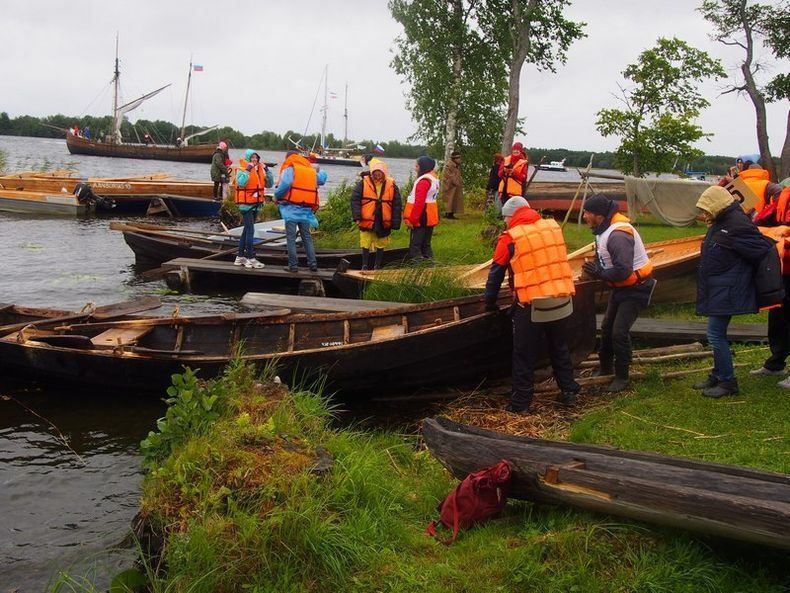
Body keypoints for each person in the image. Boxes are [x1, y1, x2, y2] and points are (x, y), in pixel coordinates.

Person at [484, 196, 579, 414]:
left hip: (532, 305)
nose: (505, 222)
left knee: (523, 354)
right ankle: (569, 391)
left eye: (505, 218)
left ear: (512, 216)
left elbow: (495, 275)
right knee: (559, 346)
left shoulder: (510, 238)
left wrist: (489, 304)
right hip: (562, 298)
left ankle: (520, 404)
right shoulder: (552, 228)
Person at [694, 185, 774, 397]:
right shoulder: (721, 221)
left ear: (717, 204)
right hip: (720, 285)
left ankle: (728, 382)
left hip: (728, 287)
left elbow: (760, 250)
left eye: (706, 209)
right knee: (715, 334)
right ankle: (718, 375)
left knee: (715, 334)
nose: (704, 213)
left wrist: (739, 273)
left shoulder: (737, 224)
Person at [581, 194, 656, 392]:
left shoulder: (618, 236)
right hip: (620, 288)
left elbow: (623, 271)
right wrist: (596, 268)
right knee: (607, 327)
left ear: (599, 215)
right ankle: (606, 367)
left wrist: (599, 273)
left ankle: (622, 376)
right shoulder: (603, 229)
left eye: (587, 213)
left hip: (636, 289)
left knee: (618, 332)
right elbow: (604, 258)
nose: (584, 216)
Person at [748, 182, 790, 386]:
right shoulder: (784, 196)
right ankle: (776, 363)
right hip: (781, 269)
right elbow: (761, 220)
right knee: (778, 317)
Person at [274, 150, 327, 272]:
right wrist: (321, 170)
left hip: (291, 209)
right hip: (306, 211)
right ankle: (312, 264)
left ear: (288, 158)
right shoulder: (310, 171)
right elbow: (322, 179)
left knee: (291, 238)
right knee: (307, 237)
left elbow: (286, 184)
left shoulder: (290, 169)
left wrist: (276, 195)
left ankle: (293, 266)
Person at [351, 158, 402, 271]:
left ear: (384, 174)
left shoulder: (392, 186)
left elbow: (397, 205)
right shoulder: (363, 183)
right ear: (372, 173)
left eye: (380, 174)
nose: (378, 176)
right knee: (365, 241)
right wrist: (357, 216)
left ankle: (377, 265)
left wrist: (395, 222)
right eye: (375, 174)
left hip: (383, 219)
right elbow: (355, 199)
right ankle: (364, 265)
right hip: (367, 217)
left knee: (381, 242)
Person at [233, 149, 273, 268]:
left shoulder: (259, 170)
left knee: (246, 230)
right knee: (250, 230)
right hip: (246, 206)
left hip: (256, 205)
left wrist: (267, 170)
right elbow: (241, 183)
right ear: (248, 159)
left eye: (256, 158)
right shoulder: (242, 169)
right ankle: (250, 257)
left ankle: (240, 257)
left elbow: (269, 184)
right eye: (252, 158)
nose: (254, 160)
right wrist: (248, 169)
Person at [404, 156, 440, 262]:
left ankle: (418, 267)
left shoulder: (423, 181)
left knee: (415, 245)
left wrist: (412, 220)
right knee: (426, 244)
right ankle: (430, 265)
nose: (415, 168)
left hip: (421, 217)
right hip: (429, 215)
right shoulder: (433, 178)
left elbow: (419, 203)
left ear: (423, 167)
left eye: (417, 166)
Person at [498, 142, 529, 206]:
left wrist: (513, 172)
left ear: (520, 151)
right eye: (514, 149)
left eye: (518, 150)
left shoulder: (523, 163)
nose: (515, 151)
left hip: (515, 193)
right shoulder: (506, 160)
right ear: (512, 150)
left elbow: (524, 178)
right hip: (503, 191)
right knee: (503, 209)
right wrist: (504, 171)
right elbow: (499, 174)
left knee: (513, 210)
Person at [441, 151, 464, 219]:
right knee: (449, 200)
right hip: (449, 187)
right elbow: (450, 176)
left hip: (454, 186)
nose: (460, 160)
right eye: (458, 158)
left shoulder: (456, 166)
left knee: (454, 200)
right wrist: (456, 182)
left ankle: (451, 213)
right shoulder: (449, 166)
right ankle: (448, 214)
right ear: (454, 159)